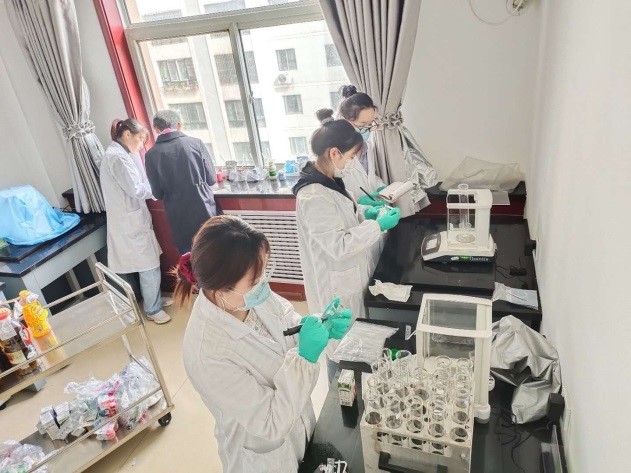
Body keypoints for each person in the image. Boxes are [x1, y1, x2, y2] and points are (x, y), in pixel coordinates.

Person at [178, 215, 351, 473]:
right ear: (221, 291)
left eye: (263, 273)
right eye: (255, 281)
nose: (264, 284)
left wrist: (315, 324)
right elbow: (270, 423)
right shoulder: (206, 354)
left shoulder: (247, 297)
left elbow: (285, 322)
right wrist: (305, 357)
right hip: (264, 456)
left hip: (299, 423)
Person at [293, 110, 401, 382]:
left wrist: (367, 214)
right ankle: (339, 398)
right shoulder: (313, 195)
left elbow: (345, 218)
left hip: (350, 275)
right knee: (340, 348)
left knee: (357, 345)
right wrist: (378, 226)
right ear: (334, 153)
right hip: (336, 284)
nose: (352, 163)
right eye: (351, 157)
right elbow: (338, 245)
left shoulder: (329, 180)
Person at [100, 119, 170, 324]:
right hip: (129, 223)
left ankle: (153, 300)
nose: (141, 146)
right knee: (149, 265)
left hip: (131, 220)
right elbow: (137, 189)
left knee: (149, 263)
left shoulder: (120, 154)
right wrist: (159, 188)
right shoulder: (117, 158)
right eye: (140, 140)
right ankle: (153, 309)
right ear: (127, 134)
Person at [145, 109, 217, 254]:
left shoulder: (151, 155)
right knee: (214, 252)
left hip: (178, 218)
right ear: (178, 125)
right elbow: (211, 179)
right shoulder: (196, 143)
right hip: (204, 210)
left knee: (189, 260)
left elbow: (157, 193)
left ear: (156, 129)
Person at [336, 85, 386, 206]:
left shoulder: (367, 147)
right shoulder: (335, 153)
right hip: (350, 211)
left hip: (372, 210)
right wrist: (358, 201)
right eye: (361, 125)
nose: (366, 130)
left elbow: (369, 176)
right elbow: (334, 192)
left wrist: (382, 187)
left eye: (370, 125)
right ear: (344, 121)